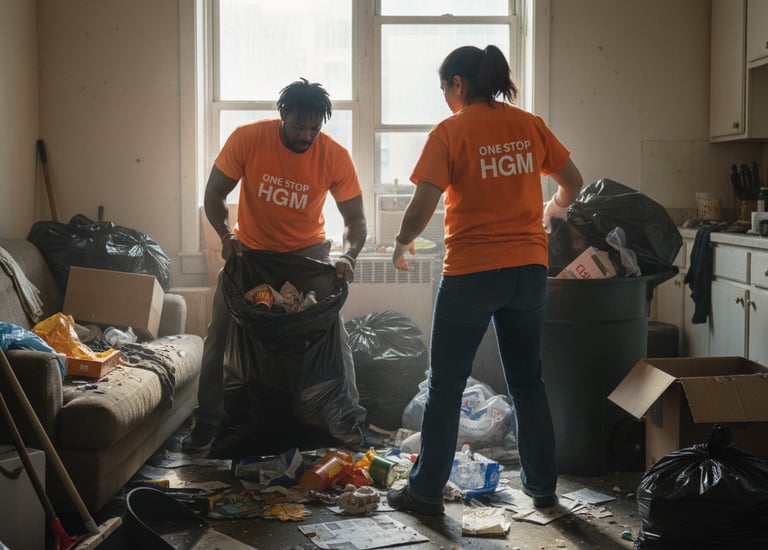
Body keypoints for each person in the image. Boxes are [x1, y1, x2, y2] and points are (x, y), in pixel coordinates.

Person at [387, 45, 583, 515]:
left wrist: (401, 241)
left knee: (446, 383)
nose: (445, 100)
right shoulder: (529, 124)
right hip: (530, 271)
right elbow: (573, 182)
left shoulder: (451, 132)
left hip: (472, 272)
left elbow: (422, 205)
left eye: (444, 90)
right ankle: (543, 489)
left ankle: (425, 491)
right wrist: (549, 212)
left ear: (459, 84)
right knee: (527, 382)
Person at [182, 78, 368, 452]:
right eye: (299, 126)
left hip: (308, 257)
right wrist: (224, 234)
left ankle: (350, 420)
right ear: (282, 114)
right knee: (220, 331)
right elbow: (214, 193)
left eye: (315, 128)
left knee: (334, 336)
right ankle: (208, 422)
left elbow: (355, 220)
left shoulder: (333, 155)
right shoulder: (248, 139)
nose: (307, 135)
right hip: (249, 254)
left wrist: (348, 255)